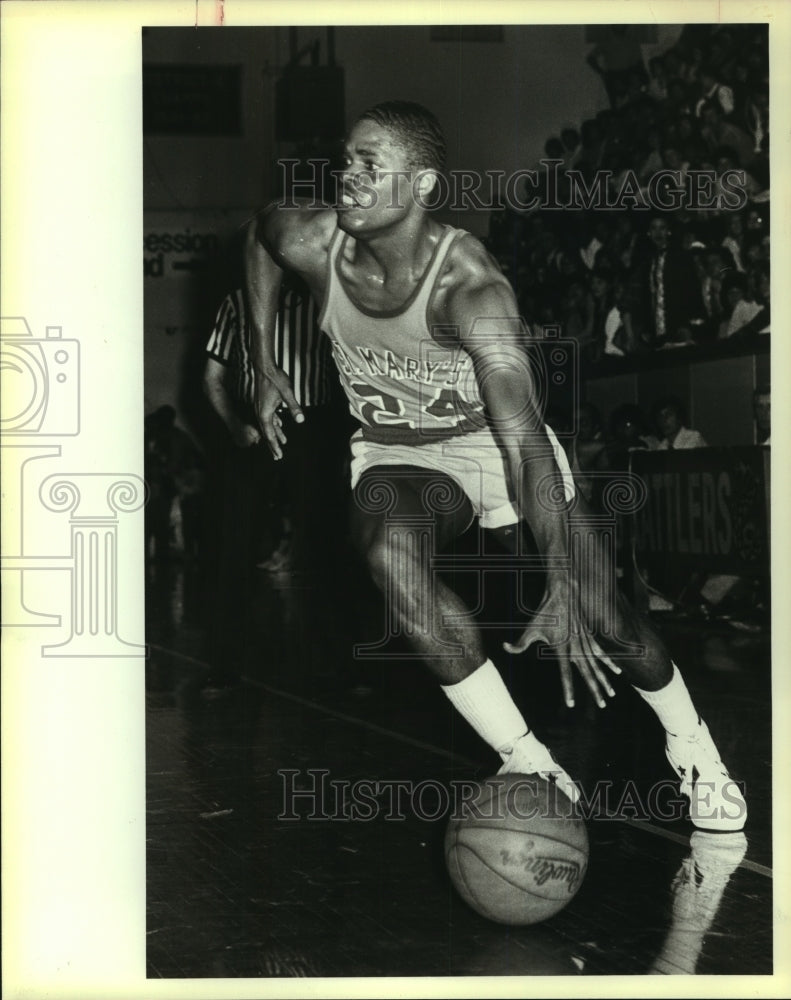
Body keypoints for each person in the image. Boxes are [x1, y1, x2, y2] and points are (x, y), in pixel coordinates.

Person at [245, 100, 746, 832]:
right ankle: (527, 760)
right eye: (346, 160)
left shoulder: (473, 292)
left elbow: (524, 445)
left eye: (368, 165)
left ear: (421, 185)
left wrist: (560, 573)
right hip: (399, 450)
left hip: (495, 443)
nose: (346, 176)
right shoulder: (312, 241)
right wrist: (262, 359)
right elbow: (258, 234)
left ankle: (692, 744)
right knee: (387, 547)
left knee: (604, 616)